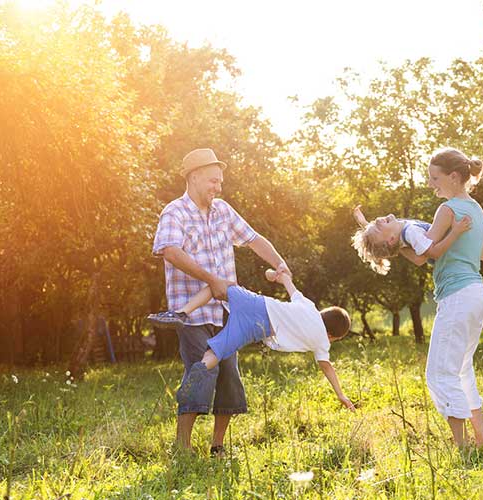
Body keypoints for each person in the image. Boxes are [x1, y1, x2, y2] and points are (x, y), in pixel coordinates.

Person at [152, 147, 292, 457]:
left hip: (228, 312)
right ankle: (183, 447)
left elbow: (254, 238)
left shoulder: (223, 211)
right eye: (213, 181)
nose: (218, 188)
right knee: (201, 372)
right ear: (194, 177)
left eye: (220, 182)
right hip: (192, 314)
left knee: (229, 376)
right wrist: (211, 279)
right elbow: (170, 252)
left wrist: (280, 264)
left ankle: (218, 446)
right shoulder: (174, 212)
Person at [401, 147, 483, 451]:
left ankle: (463, 446)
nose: (431, 184)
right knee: (461, 369)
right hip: (476, 293)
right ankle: (482, 441)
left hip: (457, 295)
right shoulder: (477, 209)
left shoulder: (448, 210)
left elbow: (425, 251)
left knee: (440, 373)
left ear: (454, 177)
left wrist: (398, 242)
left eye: (435, 178)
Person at [169, 269, 356, 412]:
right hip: (256, 329)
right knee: (216, 352)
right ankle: (201, 368)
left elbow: (288, 283)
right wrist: (340, 394)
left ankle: (182, 312)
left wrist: (277, 274)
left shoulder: (309, 307)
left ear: (323, 313)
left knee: (216, 286)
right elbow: (327, 367)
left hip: (255, 303)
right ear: (332, 336)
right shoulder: (321, 342)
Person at [350, 205, 483, 275]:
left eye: (374, 222)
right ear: (391, 239)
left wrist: (365, 223)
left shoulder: (397, 231)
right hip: (451, 246)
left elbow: (381, 240)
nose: (378, 220)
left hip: (451, 244)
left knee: (481, 234)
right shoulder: (411, 234)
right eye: (377, 226)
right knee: (478, 233)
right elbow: (434, 253)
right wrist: (456, 232)